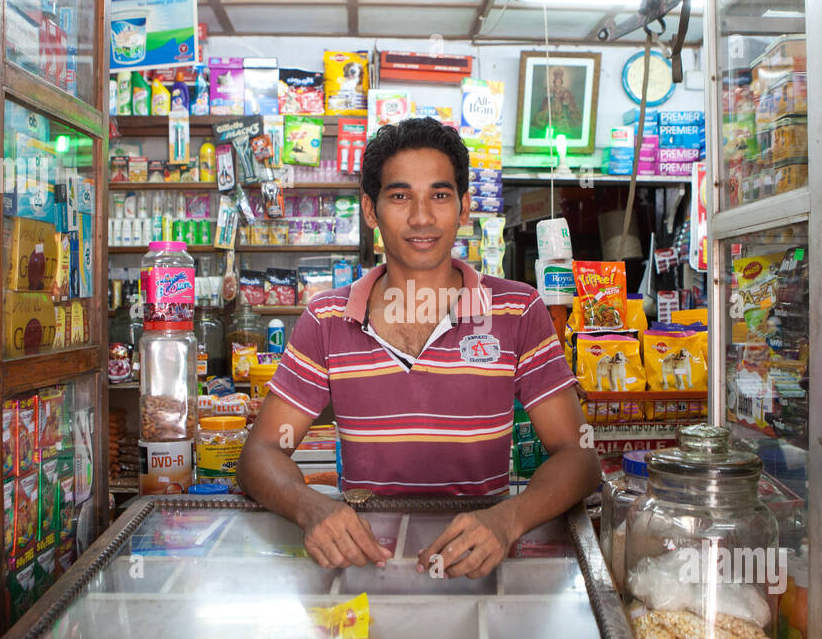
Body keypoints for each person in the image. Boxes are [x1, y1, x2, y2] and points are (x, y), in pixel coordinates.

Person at [238, 117, 599, 579]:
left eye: (440, 196)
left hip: (478, 570)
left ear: (464, 208)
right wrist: (312, 508)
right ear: (370, 211)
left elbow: (578, 454)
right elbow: (261, 453)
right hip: (366, 570)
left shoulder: (517, 310)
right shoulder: (327, 319)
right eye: (400, 196)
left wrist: (508, 518)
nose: (422, 217)